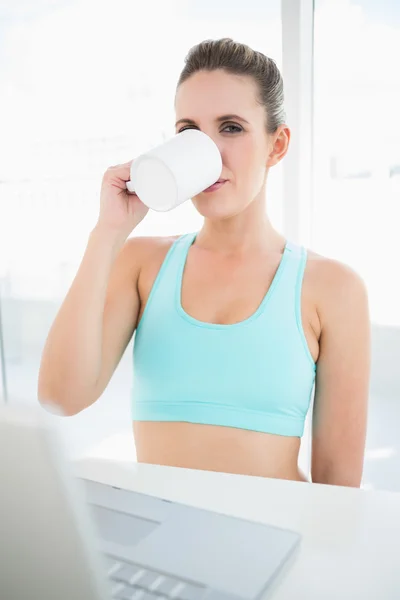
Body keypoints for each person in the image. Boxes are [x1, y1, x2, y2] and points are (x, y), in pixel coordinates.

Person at [38, 38, 370, 487]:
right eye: (189, 132)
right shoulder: (141, 264)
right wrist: (108, 233)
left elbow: (339, 489)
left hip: (274, 542)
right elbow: (61, 397)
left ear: (277, 145)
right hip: (162, 543)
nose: (208, 153)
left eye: (231, 127)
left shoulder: (333, 289)